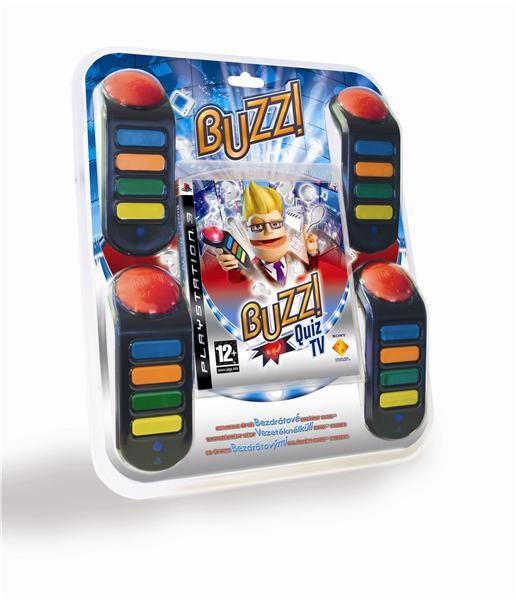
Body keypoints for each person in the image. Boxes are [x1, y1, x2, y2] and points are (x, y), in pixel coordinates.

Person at [216, 182, 319, 288]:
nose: (268, 231)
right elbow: (235, 280)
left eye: (275, 224)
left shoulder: (290, 256)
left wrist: (312, 252)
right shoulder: (252, 265)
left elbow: (311, 270)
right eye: (258, 226)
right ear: (248, 231)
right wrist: (231, 265)